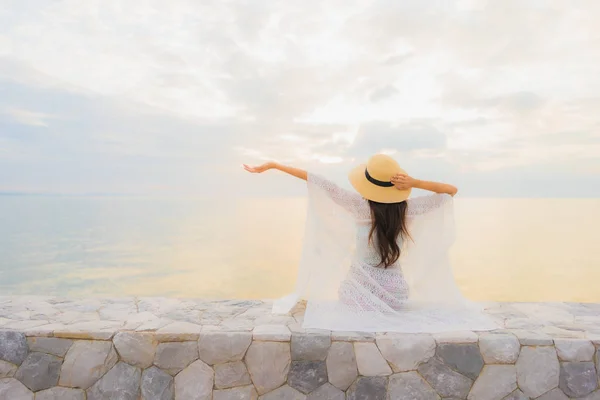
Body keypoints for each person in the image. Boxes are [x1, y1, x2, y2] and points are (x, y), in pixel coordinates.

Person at [243, 154, 497, 332]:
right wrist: (415, 183)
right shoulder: (408, 210)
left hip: (358, 296)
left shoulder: (357, 206)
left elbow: (318, 181)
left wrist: (275, 165)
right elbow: (451, 191)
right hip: (396, 296)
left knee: (345, 292)